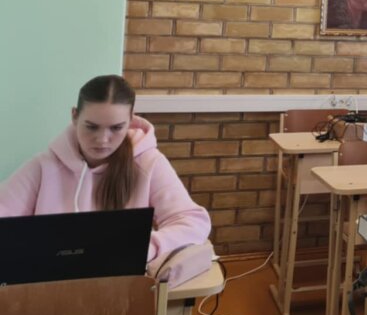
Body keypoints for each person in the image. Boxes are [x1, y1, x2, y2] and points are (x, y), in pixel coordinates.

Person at [0, 75, 211, 282]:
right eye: (91, 126)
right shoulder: (43, 166)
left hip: (119, 288)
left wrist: (145, 247)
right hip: (49, 288)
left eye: (116, 128)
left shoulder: (149, 163)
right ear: (74, 116)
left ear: (130, 120)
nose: (102, 140)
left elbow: (193, 221)